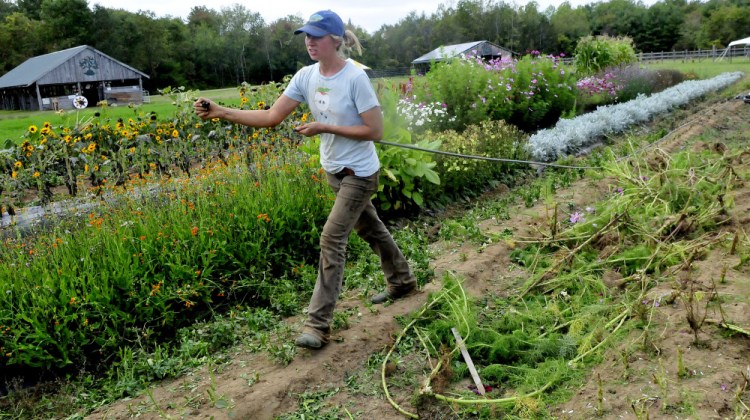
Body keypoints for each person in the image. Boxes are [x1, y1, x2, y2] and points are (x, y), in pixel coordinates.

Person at [194, 10, 417, 350]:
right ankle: (402, 280)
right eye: (306, 35)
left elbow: (374, 131)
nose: (310, 41)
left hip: (360, 171)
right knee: (369, 227)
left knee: (332, 238)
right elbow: (271, 116)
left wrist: (324, 126)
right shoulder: (305, 76)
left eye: (317, 35)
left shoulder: (355, 78)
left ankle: (318, 324)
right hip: (334, 170)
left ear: (336, 40)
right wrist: (222, 112)